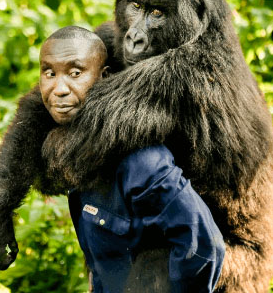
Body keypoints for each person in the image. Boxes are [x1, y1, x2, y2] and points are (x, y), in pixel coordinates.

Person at [38, 25, 225, 293]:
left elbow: (204, 248)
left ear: (104, 78)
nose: (59, 89)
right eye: (49, 73)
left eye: (75, 73)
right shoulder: (76, 150)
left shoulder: (142, 161)